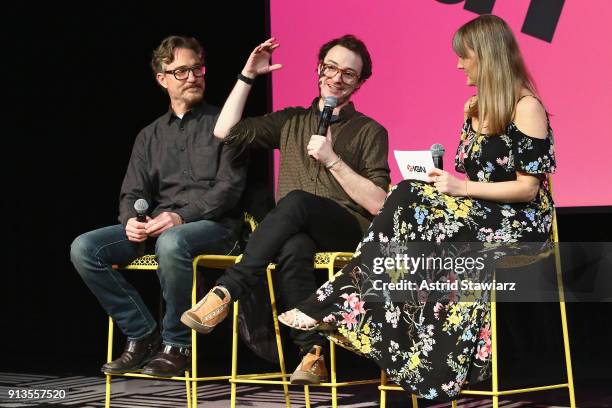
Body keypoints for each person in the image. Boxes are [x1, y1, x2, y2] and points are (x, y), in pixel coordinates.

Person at [277, 14, 556, 401]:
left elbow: (528, 189)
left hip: (520, 225)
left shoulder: (526, 107)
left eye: (466, 57)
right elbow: (467, 184)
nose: (459, 64)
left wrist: (460, 187)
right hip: (476, 215)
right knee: (407, 198)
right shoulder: (473, 107)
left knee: (409, 203)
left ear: (488, 57)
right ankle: (421, 365)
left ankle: (344, 301)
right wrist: (443, 187)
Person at [181, 35, 391, 384]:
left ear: (360, 82)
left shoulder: (370, 130)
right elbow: (224, 131)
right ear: (318, 69)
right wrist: (247, 75)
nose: (337, 78)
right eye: (331, 68)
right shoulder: (291, 121)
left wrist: (333, 160)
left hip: (348, 227)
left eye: (349, 74)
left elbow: (378, 203)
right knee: (293, 247)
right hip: (298, 229)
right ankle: (312, 354)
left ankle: (227, 291)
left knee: (294, 201)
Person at [70, 35, 247, 377]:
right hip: (161, 228)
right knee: (85, 248)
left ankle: (176, 345)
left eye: (197, 69)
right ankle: (142, 335)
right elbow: (131, 193)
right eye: (181, 71)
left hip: (216, 228)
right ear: (162, 79)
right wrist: (131, 221)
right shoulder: (149, 136)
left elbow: (229, 189)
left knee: (172, 240)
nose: (193, 77)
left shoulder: (225, 123)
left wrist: (181, 216)